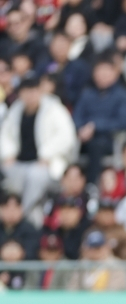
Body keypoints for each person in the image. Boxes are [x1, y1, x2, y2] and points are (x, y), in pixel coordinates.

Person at [0, 76, 78, 217]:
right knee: (9, 172)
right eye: (27, 91)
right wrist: (8, 153)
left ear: (40, 91)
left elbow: (66, 137)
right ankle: (16, 212)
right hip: (19, 162)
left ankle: (21, 214)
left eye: (34, 91)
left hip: (46, 163)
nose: (30, 95)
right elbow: (6, 136)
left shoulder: (54, 108)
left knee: (36, 176)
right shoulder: (15, 110)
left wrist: (46, 154)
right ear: (21, 93)